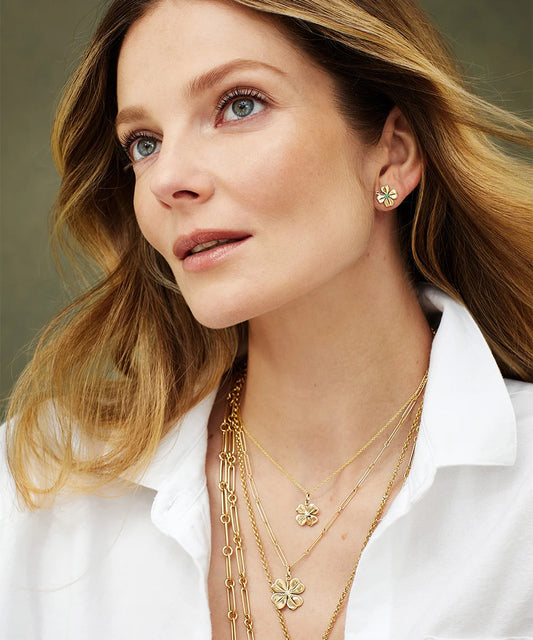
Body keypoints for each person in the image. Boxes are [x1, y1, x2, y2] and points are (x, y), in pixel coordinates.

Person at [1, 0, 532, 638]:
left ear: (391, 154)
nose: (168, 178)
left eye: (239, 105)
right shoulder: (36, 487)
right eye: (144, 144)